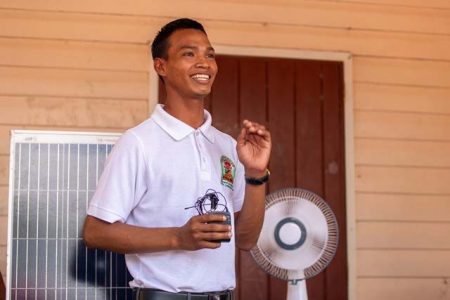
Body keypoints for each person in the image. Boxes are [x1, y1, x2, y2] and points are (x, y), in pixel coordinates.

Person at [83, 18, 272, 300]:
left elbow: (246, 240)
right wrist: (177, 238)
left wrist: (256, 175)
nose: (204, 63)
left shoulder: (227, 146)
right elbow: (95, 232)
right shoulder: (138, 142)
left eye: (209, 54)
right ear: (161, 66)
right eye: (189, 53)